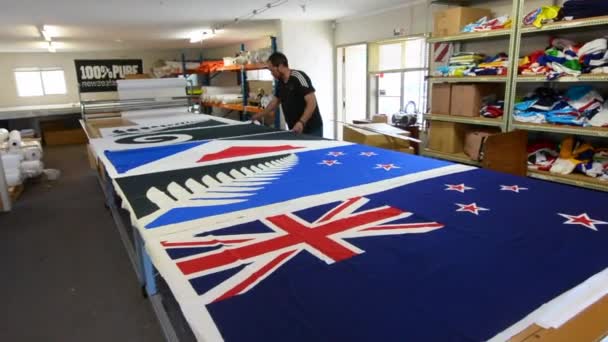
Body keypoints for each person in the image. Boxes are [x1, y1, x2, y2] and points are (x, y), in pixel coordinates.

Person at [251, 52, 323, 137]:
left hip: (311, 129)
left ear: (280, 66)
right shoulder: (280, 82)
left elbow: (312, 103)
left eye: (272, 70)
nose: (271, 74)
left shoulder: (298, 77)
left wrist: (301, 122)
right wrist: (258, 115)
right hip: (294, 129)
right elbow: (274, 102)